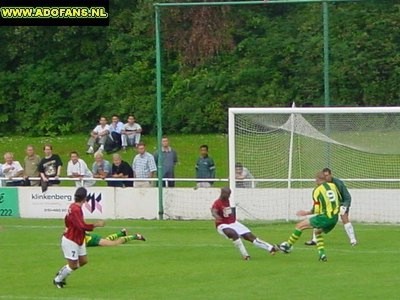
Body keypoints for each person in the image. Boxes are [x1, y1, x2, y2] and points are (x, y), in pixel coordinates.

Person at [279, 171, 340, 262]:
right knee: (317, 232)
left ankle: (288, 245)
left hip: (325, 217)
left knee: (299, 226)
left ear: (317, 180)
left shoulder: (317, 190)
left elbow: (316, 209)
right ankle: (322, 255)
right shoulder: (333, 186)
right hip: (335, 218)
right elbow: (339, 198)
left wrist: (306, 213)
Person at [53, 187, 105, 288]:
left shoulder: (73, 206)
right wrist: (96, 225)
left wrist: (67, 227)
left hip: (79, 239)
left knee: (83, 261)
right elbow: (82, 226)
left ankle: (62, 272)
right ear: (85, 199)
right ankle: (58, 280)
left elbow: (67, 219)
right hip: (71, 240)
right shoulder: (76, 209)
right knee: (73, 265)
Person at [211, 187, 278, 260]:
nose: (229, 196)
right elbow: (213, 211)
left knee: (250, 236)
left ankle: (270, 248)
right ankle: (245, 255)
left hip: (233, 223)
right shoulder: (217, 202)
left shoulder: (227, 200)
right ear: (222, 193)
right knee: (233, 234)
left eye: (229, 194)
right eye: (227, 194)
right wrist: (216, 216)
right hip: (222, 225)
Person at [305, 167, 357, 246]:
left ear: (331, 175)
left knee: (344, 218)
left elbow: (347, 197)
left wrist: (345, 206)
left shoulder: (338, 183)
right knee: (319, 217)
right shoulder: (321, 186)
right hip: (329, 207)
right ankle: (314, 240)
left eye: (327, 175)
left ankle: (353, 240)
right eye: (324, 176)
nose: (326, 177)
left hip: (341, 204)